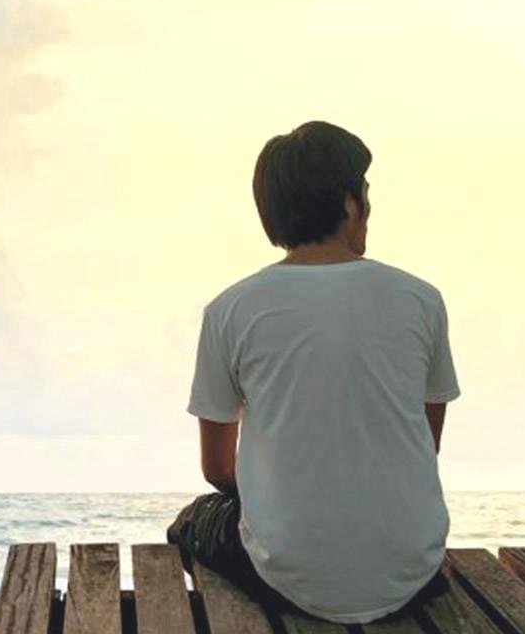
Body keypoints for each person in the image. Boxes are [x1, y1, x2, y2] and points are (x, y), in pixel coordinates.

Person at [166, 121, 459, 624]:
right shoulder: (422, 300)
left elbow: (217, 470)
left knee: (192, 521)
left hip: (288, 576)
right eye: (366, 193)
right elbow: (422, 445)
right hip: (412, 569)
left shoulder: (231, 309)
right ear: (349, 204)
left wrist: (285, 491)